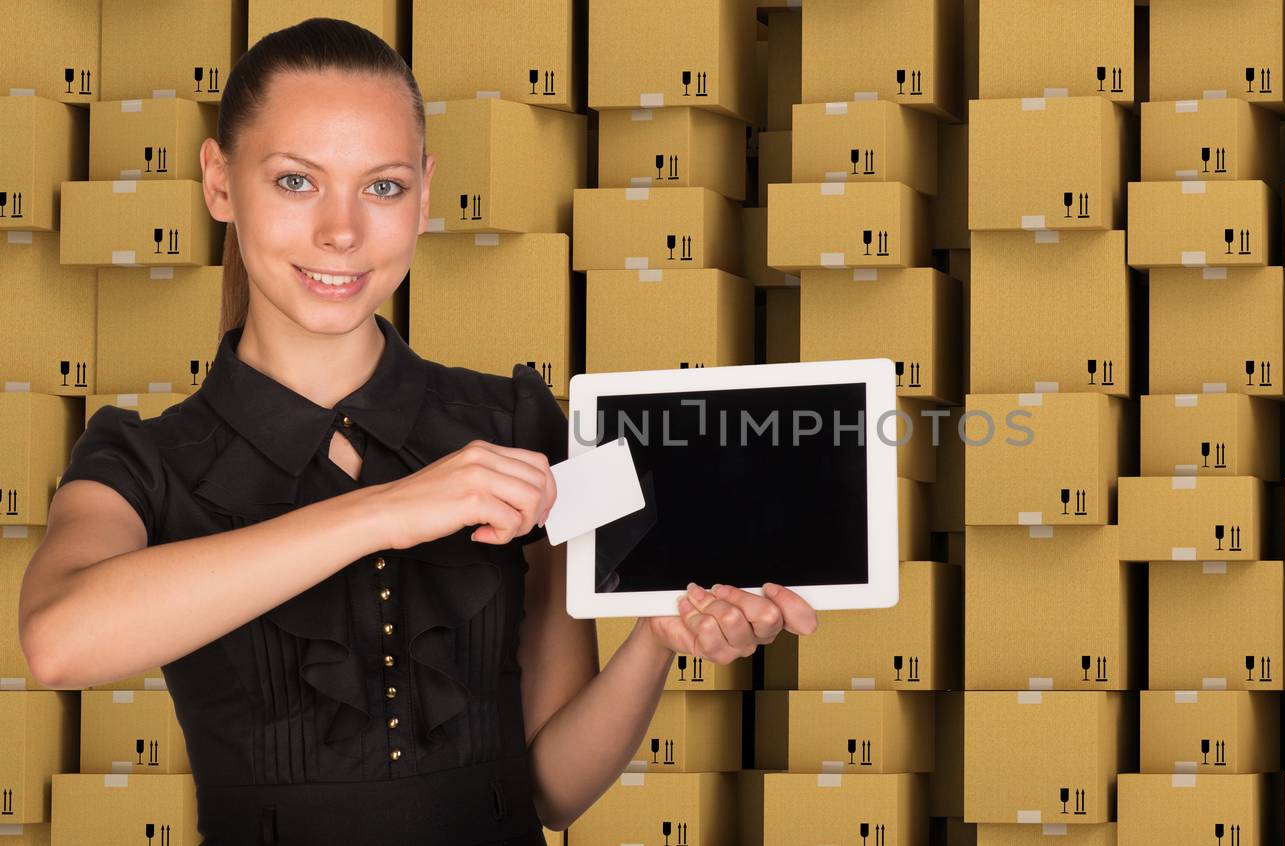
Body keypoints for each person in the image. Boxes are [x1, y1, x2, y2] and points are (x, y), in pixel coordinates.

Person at [17, 17, 818, 845]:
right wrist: (388, 510)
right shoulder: (142, 459)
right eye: (296, 182)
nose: (342, 231)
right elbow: (60, 643)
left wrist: (655, 641)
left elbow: (551, 792)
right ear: (219, 182)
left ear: (426, 193)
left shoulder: (513, 427)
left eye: (384, 186)